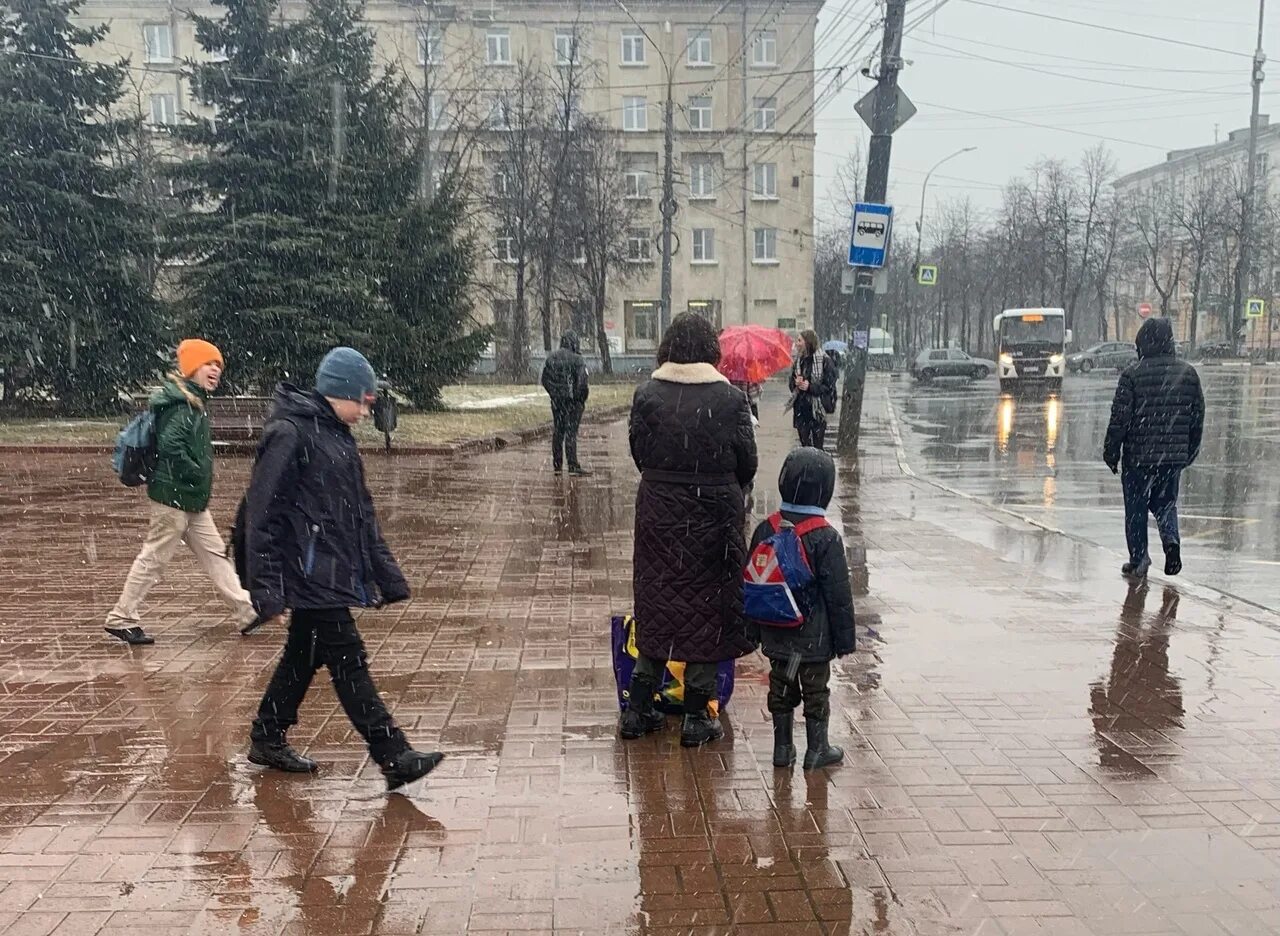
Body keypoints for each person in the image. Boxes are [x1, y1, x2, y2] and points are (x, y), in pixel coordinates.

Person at [244, 346, 443, 790]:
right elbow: (261, 513)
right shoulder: (292, 432)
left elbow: (359, 513)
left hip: (330, 570)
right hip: (309, 571)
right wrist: (267, 588)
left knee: (304, 653)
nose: (369, 406)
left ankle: (267, 735)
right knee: (349, 660)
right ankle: (393, 755)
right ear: (343, 391)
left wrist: (383, 572)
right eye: (366, 398)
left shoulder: (336, 434)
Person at [622, 313, 758, 747]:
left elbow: (639, 454)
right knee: (708, 612)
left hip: (659, 512)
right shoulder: (731, 400)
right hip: (714, 515)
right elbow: (747, 462)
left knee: (659, 603)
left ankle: (638, 709)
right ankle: (697, 716)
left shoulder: (647, 395)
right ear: (710, 350)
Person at [105, 339, 263, 645]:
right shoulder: (183, 405)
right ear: (192, 368)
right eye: (208, 364)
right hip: (173, 497)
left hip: (189, 498)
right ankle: (121, 617)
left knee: (215, 555)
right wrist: (195, 471)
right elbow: (170, 446)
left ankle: (246, 611)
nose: (215, 370)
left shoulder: (193, 400)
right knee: (155, 558)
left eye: (218, 365)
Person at [747, 447, 855, 770]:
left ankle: (782, 749)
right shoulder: (826, 538)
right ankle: (817, 748)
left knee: (780, 688)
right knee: (815, 692)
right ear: (825, 489)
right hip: (814, 640)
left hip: (777, 636)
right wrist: (844, 641)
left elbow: (753, 584)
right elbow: (839, 596)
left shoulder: (766, 529)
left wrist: (752, 631)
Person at [1103, 317, 1205, 578]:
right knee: (1166, 503)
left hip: (1138, 457)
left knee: (1136, 508)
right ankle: (1171, 541)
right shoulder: (1188, 374)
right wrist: (1189, 451)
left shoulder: (1132, 375)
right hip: (1173, 457)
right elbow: (1197, 418)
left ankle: (1139, 560)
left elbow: (1120, 418)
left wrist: (1112, 451)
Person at [540, 331, 591, 476]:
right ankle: (573, 465)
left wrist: (554, 394)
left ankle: (557, 464)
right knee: (571, 433)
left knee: (558, 431)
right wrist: (578, 399)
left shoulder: (552, 358)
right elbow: (582, 382)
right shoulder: (577, 360)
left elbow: (545, 380)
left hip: (557, 401)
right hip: (573, 402)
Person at [788, 330, 836, 450]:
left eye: (799, 340)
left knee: (817, 447)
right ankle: (807, 468)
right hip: (801, 410)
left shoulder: (824, 361)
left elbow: (829, 386)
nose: (797, 344)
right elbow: (791, 385)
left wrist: (810, 387)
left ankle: (817, 468)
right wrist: (796, 383)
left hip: (817, 411)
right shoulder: (798, 362)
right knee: (805, 446)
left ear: (808, 342)